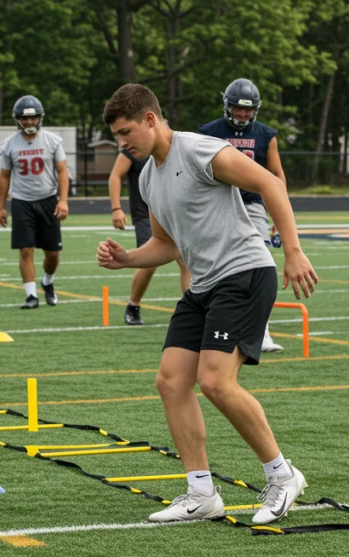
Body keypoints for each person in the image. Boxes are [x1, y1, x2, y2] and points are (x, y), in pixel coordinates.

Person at [97, 83, 319, 525]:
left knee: (215, 381)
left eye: (125, 133)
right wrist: (127, 260)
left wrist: (293, 250)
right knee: (171, 381)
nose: (122, 144)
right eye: (117, 137)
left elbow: (269, 183)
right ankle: (201, 493)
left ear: (150, 119)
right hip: (204, 285)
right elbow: (165, 244)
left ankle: (283, 474)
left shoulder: (200, 150)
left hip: (245, 274)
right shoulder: (147, 177)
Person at [198, 78, 287, 353]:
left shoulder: (265, 136)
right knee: (213, 262)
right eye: (237, 108)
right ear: (228, 105)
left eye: (247, 110)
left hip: (251, 205)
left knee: (260, 262)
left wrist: (279, 216)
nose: (242, 114)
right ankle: (209, 322)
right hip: (218, 203)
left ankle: (261, 331)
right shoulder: (209, 132)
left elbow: (276, 176)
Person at [0, 95, 70, 309]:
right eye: (24, 118)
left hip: (48, 200)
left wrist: (63, 200)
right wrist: (1, 206)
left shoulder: (53, 140)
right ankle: (31, 295)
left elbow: (62, 171)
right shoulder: (9, 144)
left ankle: (47, 282)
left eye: (33, 118)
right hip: (22, 201)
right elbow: (4, 176)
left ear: (40, 118)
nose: (29, 122)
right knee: (25, 249)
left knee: (53, 253)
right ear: (17, 119)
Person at [107, 147, 189, 325]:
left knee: (186, 261)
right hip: (145, 214)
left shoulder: (175, 148)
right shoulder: (132, 149)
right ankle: (133, 305)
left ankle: (194, 310)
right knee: (149, 263)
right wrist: (116, 208)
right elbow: (115, 175)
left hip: (172, 213)